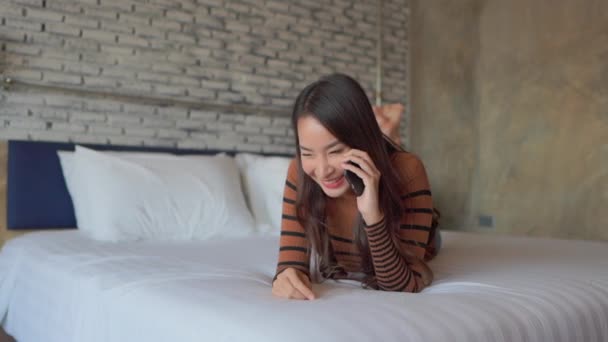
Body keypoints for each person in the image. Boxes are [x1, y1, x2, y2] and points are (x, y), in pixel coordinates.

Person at [272, 73, 440, 300]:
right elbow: (290, 266)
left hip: (420, 234)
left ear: (361, 139)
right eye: (307, 153)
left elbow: (402, 288)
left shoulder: (408, 169)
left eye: (335, 151)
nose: (322, 171)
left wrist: (372, 214)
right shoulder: (300, 170)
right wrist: (286, 276)